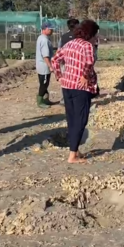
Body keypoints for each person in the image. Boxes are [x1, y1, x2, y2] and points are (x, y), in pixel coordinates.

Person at [52, 19, 99, 164]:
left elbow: (55, 60)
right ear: (90, 33)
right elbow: (89, 63)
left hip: (67, 85)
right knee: (81, 119)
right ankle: (72, 156)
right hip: (80, 87)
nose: (96, 37)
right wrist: (85, 76)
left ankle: (75, 150)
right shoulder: (87, 46)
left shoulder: (69, 44)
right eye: (95, 34)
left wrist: (59, 76)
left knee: (72, 119)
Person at [36, 22, 56, 108]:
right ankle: (40, 101)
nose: (52, 31)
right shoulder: (44, 40)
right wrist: (50, 66)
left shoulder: (42, 38)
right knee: (44, 84)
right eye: (50, 29)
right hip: (44, 66)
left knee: (45, 83)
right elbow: (45, 56)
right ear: (45, 29)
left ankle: (46, 99)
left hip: (42, 65)